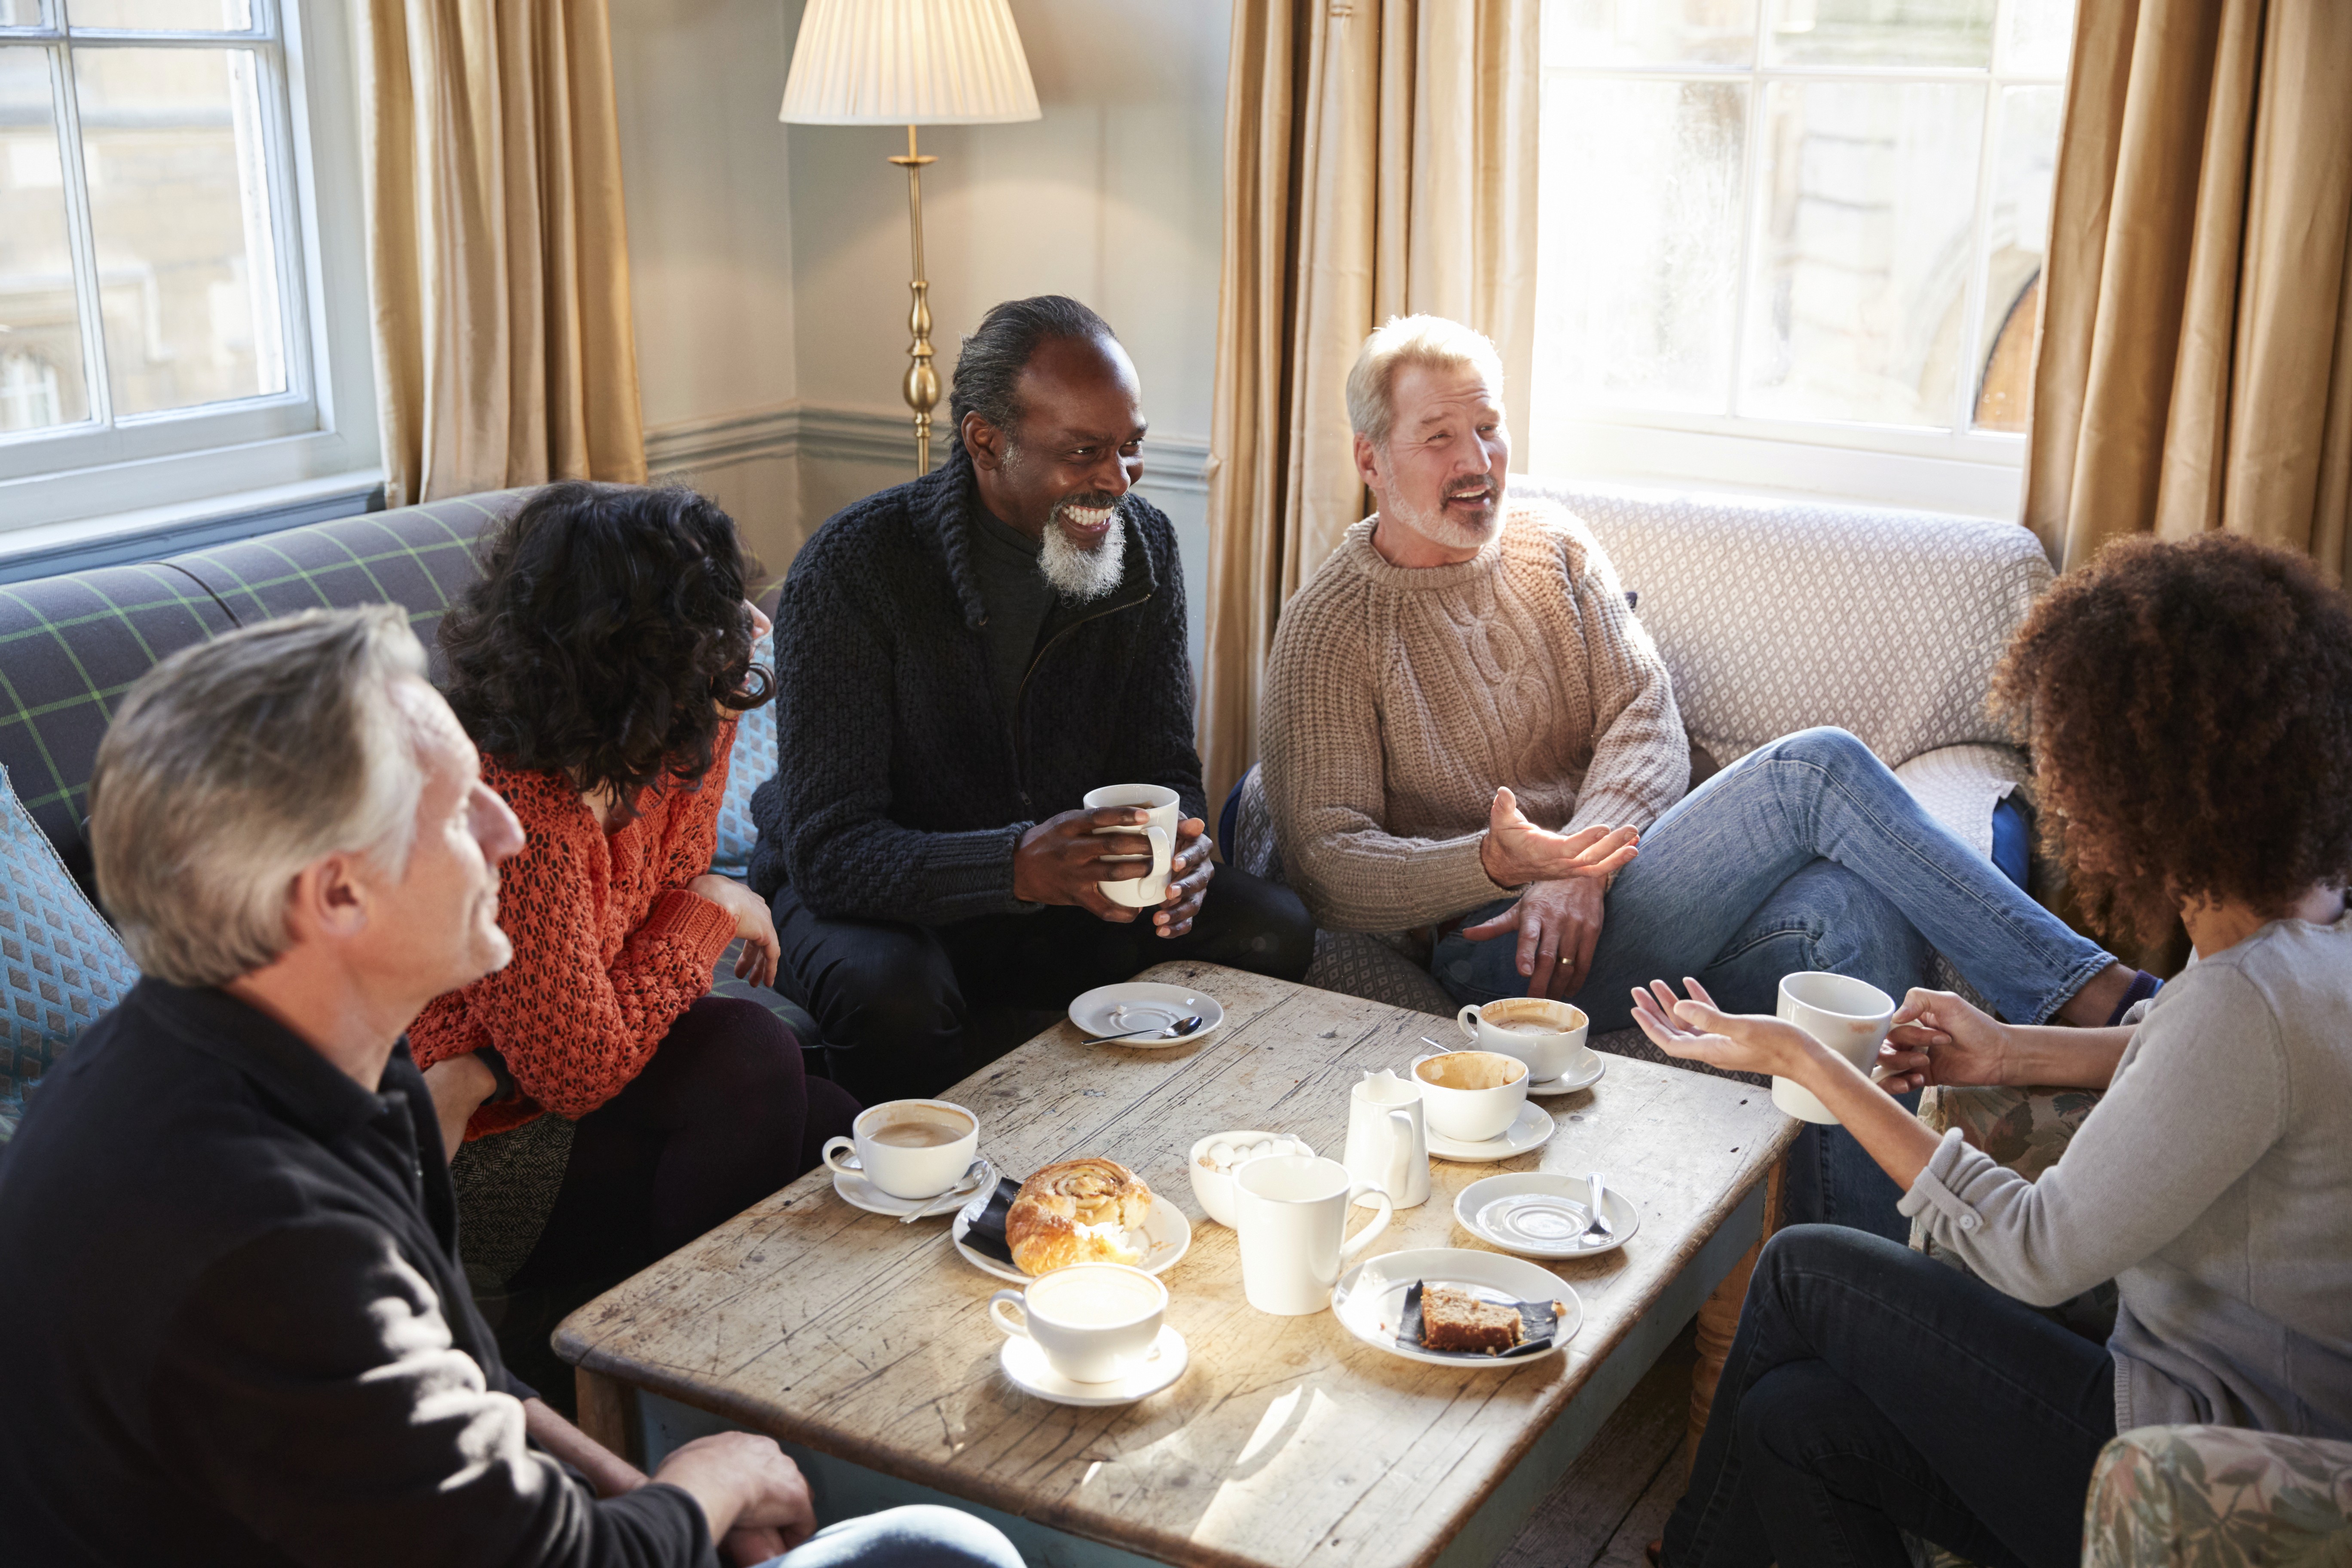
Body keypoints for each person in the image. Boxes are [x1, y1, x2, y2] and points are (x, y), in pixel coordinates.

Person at [0, 606, 1021, 1568]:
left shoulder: (295, 1065)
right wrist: (709, 1482)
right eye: (456, 810)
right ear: (337, 894)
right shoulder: (269, 1242)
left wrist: (658, 1499)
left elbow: (467, 1381)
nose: (511, 832)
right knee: (947, 1549)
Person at [1258, 313, 2150, 1237]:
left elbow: (1647, 717)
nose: (1475, 457)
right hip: (1495, 945)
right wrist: (1500, 863)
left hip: (1615, 896)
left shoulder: (1553, 546)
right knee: (1817, 768)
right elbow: (1325, 861)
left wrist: (1580, 865)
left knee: (1851, 913)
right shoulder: (1331, 626)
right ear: (1371, 458)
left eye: (1488, 426)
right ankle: (2103, 1002)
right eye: (1438, 437)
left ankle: (1846, 1258)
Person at [1631, 532, 2352, 1568]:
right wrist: (2006, 1051)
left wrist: (1808, 1060)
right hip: (2217, 1409)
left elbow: (2031, 1249)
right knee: (1795, 1419)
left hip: (2183, 1464)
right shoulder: (2308, 936)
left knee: (1803, 1271)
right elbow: (2192, 1058)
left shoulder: (2246, 1000)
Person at [751, 295, 1323, 1104]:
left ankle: (1138, 1137)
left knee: (1274, 926)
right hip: (881, 903)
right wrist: (1014, 865)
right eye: (1085, 451)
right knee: (895, 998)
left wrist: (1184, 851)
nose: (1117, 481)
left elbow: (1162, 758)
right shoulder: (854, 570)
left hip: (1058, 890)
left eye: (1131, 449)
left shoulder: (1144, 547)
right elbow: (830, 850)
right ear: (987, 441)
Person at [408, 484, 859, 1344]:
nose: (744, 634)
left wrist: (713, 723)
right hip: (496, 1155)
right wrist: (710, 910)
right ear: (631, 651)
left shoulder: (658, 739)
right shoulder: (517, 807)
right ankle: (673, 1370)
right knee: (755, 1055)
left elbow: (654, 908)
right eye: (713, 621)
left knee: (839, 1128)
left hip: (539, 1078)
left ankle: (799, 1371)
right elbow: (577, 1067)